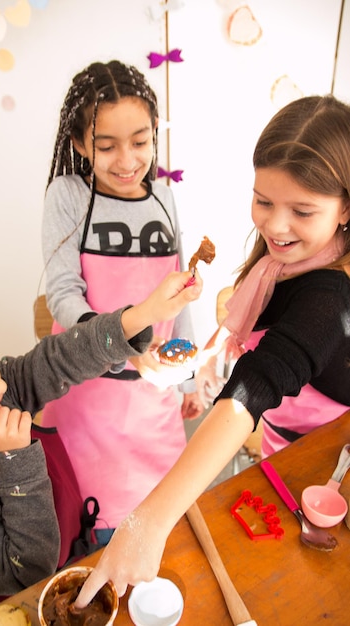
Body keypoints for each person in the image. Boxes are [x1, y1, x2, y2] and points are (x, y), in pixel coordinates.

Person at [74, 94, 350, 606]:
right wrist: (206, 366)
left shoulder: (330, 294)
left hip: (326, 456)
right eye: (263, 200)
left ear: (346, 208)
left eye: (302, 210)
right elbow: (251, 345)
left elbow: (261, 380)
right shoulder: (282, 262)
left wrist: (149, 519)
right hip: (281, 437)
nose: (274, 225)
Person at [0, 269, 202, 615]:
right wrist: (14, 459)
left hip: (77, 545)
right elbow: (28, 569)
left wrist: (143, 315)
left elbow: (59, 358)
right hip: (25, 604)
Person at [41, 59, 204, 546]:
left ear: (155, 133)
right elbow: (63, 293)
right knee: (100, 529)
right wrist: (120, 344)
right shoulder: (67, 195)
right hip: (88, 394)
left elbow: (182, 288)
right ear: (78, 144)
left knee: (163, 520)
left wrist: (190, 375)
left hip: (153, 395)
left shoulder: (165, 198)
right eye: (106, 146)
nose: (127, 160)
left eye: (140, 141)